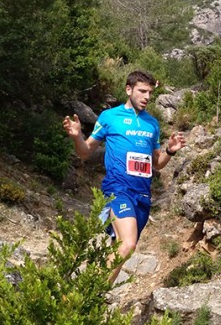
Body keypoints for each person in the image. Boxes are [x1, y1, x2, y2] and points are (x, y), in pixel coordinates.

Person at [63, 70, 186, 283]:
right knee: (127, 244)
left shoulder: (152, 124)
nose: (147, 97)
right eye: (142, 91)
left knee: (120, 250)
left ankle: (93, 304)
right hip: (117, 189)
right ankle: (85, 292)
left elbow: (157, 164)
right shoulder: (110, 117)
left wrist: (171, 151)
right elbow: (84, 153)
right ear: (128, 90)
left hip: (142, 195)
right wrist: (77, 136)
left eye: (150, 92)